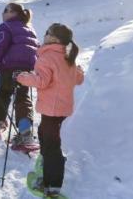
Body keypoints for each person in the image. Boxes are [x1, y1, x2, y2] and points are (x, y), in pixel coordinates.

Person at [16, 23, 85, 198]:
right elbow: (79, 79)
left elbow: (41, 81)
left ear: (54, 38)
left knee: (51, 144)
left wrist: (21, 77)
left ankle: (52, 183)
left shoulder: (47, 57)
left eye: (47, 32)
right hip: (61, 109)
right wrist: (79, 70)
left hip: (52, 109)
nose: (44, 34)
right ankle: (49, 164)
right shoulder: (67, 57)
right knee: (46, 137)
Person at [0, 3, 39, 150]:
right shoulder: (30, 28)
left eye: (6, 10)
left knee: (4, 91)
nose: (3, 13)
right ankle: (25, 132)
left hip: (9, 67)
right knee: (22, 96)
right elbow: (36, 49)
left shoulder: (5, 26)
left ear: (13, 13)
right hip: (26, 69)